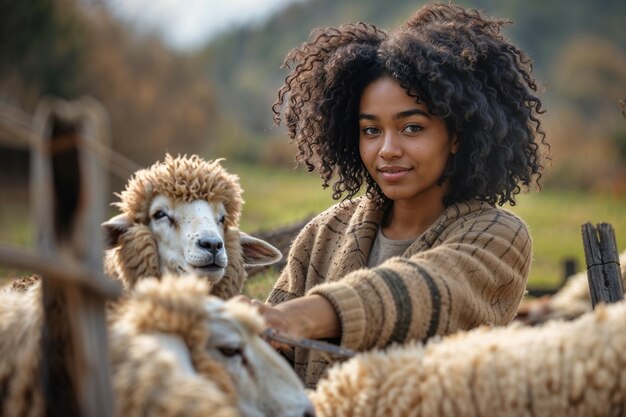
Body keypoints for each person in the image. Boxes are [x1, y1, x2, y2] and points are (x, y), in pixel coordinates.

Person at [238, 2, 549, 389]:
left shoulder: (498, 237)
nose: (387, 149)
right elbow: (272, 354)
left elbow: (424, 290)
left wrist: (295, 318)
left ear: (455, 135)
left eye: (412, 128)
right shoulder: (324, 233)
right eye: (371, 130)